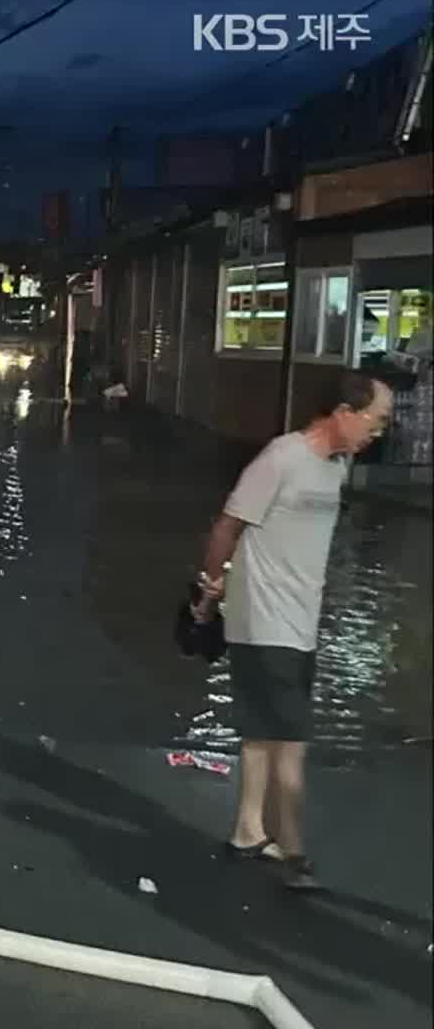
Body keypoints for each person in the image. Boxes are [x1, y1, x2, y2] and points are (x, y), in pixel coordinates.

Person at [193, 370, 393, 891]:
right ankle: (294, 850)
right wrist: (210, 592)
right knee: (292, 741)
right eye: (377, 419)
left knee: (263, 732)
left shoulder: (337, 468)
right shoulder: (282, 458)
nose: (380, 431)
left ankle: (247, 830)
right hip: (263, 617)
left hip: (300, 620)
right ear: (344, 413)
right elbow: (227, 526)